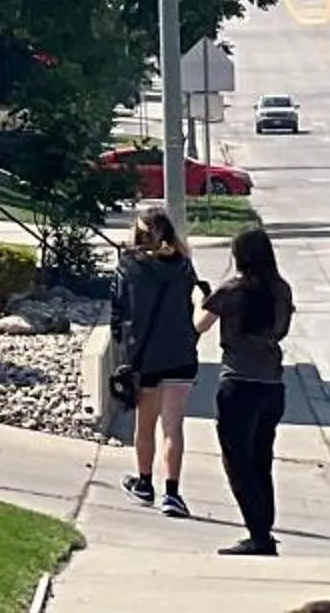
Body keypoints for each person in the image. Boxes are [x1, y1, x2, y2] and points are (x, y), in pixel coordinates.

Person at [196, 225, 296, 557]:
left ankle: (259, 535)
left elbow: (199, 325)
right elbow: (281, 330)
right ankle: (263, 527)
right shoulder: (281, 290)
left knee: (237, 462)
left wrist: (199, 298)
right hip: (272, 385)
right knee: (261, 459)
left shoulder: (232, 291)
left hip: (238, 383)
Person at [113, 204, 201, 517]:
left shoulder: (129, 265)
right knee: (173, 427)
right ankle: (173, 493)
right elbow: (197, 302)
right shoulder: (184, 265)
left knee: (145, 424)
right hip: (180, 353)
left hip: (145, 355)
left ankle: (145, 482)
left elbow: (119, 310)